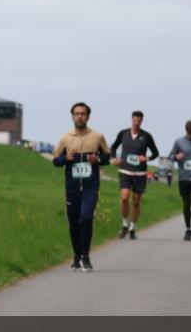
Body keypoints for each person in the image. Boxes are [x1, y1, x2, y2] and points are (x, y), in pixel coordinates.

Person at [52, 103, 111, 272]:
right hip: (71, 188)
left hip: (90, 187)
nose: (80, 116)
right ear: (72, 116)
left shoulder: (97, 136)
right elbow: (56, 161)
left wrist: (97, 160)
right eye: (76, 113)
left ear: (88, 116)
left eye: (83, 114)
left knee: (85, 218)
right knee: (73, 222)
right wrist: (66, 158)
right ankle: (77, 255)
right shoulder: (65, 138)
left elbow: (107, 156)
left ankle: (85, 255)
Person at [109, 111, 160, 239]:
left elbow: (155, 153)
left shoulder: (147, 136)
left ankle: (133, 227)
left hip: (140, 173)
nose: (136, 123)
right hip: (125, 171)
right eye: (135, 120)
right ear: (132, 120)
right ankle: (125, 224)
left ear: (141, 121)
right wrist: (113, 158)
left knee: (136, 202)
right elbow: (113, 147)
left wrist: (146, 158)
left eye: (139, 121)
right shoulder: (123, 133)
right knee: (124, 197)